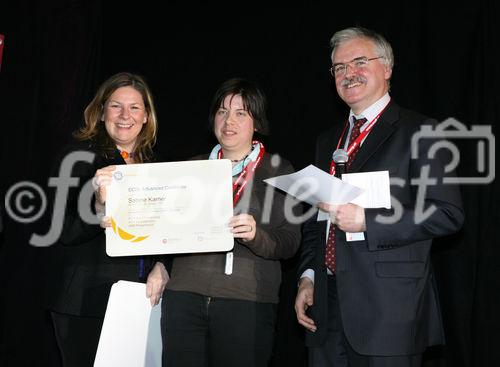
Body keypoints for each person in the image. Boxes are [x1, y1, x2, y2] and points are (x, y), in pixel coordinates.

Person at [294, 27, 464, 367]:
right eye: (339, 67)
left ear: (386, 68)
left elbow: (447, 213)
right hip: (326, 310)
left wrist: (368, 220)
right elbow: (317, 221)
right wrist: (308, 278)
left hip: (388, 311)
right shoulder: (328, 141)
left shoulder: (421, 131)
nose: (348, 73)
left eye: (359, 62)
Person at [161, 77, 302, 367]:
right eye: (222, 111)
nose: (229, 120)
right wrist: (159, 264)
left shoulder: (279, 170)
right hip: (183, 297)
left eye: (241, 112)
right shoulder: (190, 168)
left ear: (257, 122)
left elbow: (290, 243)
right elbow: (164, 231)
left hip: (245, 302)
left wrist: (256, 235)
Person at [50, 72, 169, 367]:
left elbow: (167, 230)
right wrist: (99, 207)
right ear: (101, 112)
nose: (124, 115)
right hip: (84, 300)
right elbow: (64, 231)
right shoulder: (76, 157)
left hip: (139, 298)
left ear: (146, 116)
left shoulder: (156, 165)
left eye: (134, 107)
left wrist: (163, 266)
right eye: (116, 106)